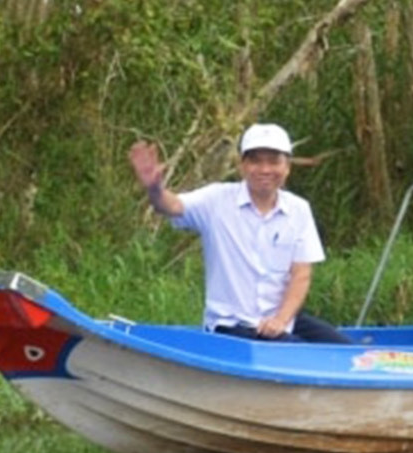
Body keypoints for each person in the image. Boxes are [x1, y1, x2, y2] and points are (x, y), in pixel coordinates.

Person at [128, 124, 351, 342]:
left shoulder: (298, 209)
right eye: (255, 161)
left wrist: (281, 320)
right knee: (299, 354)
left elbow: (301, 274)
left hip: (281, 319)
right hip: (232, 325)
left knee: (348, 352)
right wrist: (154, 187)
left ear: (287, 167)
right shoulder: (216, 200)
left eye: (274, 161)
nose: (265, 170)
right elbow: (173, 206)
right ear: (242, 165)